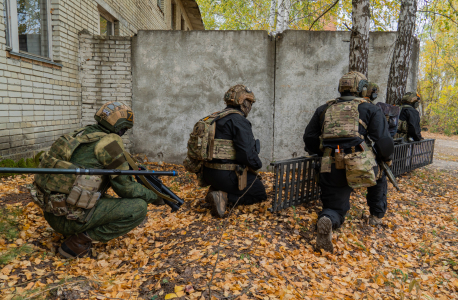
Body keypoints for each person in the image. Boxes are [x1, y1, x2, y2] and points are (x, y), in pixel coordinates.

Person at [29, 102, 164, 258]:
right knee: (138, 208)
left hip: (52, 210)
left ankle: (75, 232)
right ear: (120, 128)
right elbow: (126, 188)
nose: (123, 133)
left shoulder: (80, 134)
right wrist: (156, 197)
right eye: (125, 130)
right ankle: (77, 243)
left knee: (105, 198)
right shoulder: (109, 145)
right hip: (68, 218)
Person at [303, 71, 394, 253]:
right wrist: (386, 158)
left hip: (330, 164)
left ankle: (329, 218)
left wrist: (324, 152)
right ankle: (376, 216)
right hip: (361, 164)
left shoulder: (324, 109)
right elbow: (383, 141)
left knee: (334, 206)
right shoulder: (370, 109)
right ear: (361, 89)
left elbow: (309, 138)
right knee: (378, 176)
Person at [201, 85, 267, 217]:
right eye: (249, 103)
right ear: (243, 102)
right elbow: (247, 155)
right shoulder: (239, 121)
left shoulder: (214, 118)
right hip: (226, 174)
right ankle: (224, 196)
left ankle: (216, 189)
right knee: (259, 192)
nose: (250, 107)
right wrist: (257, 165)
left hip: (207, 173)